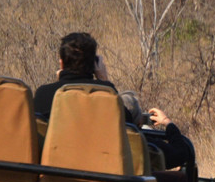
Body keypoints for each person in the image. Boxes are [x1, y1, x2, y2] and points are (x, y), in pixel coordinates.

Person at [35, 32, 193, 171]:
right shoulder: (108, 101)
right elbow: (178, 154)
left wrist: (60, 84)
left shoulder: (42, 95)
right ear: (95, 65)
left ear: (61, 63)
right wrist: (105, 82)